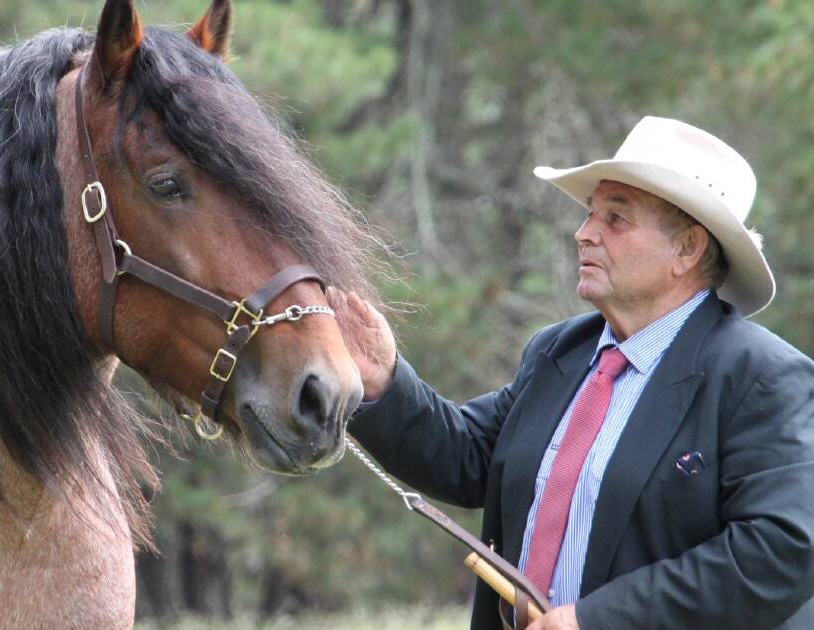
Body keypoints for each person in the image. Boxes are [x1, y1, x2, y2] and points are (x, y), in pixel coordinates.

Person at [330, 116, 814, 629]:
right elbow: (469, 459)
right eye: (590, 215)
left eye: (616, 218)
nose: (584, 234)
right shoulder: (559, 351)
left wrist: (597, 620)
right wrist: (381, 378)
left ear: (687, 249)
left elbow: (784, 550)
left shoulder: (762, 377)